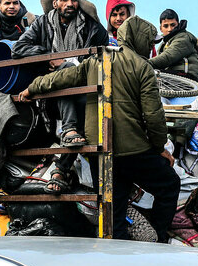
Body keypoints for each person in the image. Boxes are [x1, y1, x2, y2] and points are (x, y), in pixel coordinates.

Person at [17, 25, 180, 242]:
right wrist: (159, 148)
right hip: (133, 151)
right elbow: (154, 116)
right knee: (169, 184)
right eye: (150, 42)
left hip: (99, 151)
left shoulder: (96, 61)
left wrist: (32, 88)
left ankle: (117, 254)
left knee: (114, 208)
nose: (151, 47)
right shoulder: (142, 67)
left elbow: (62, 77)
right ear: (139, 40)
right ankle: (159, 240)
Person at [13, 0, 109, 150]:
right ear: (55, 3)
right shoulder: (42, 23)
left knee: (67, 70)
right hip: (48, 89)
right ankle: (69, 130)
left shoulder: (93, 27)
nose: (70, 4)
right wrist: (48, 57)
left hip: (83, 84)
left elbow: (100, 58)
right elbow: (18, 48)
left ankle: (67, 144)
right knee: (63, 71)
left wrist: (71, 65)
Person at [148, 9, 198, 81]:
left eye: (173, 25)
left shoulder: (183, 38)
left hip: (186, 76)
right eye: (166, 26)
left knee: (148, 74)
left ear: (178, 24)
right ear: (161, 28)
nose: (170, 29)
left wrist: (143, 64)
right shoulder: (165, 42)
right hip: (173, 74)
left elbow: (168, 57)